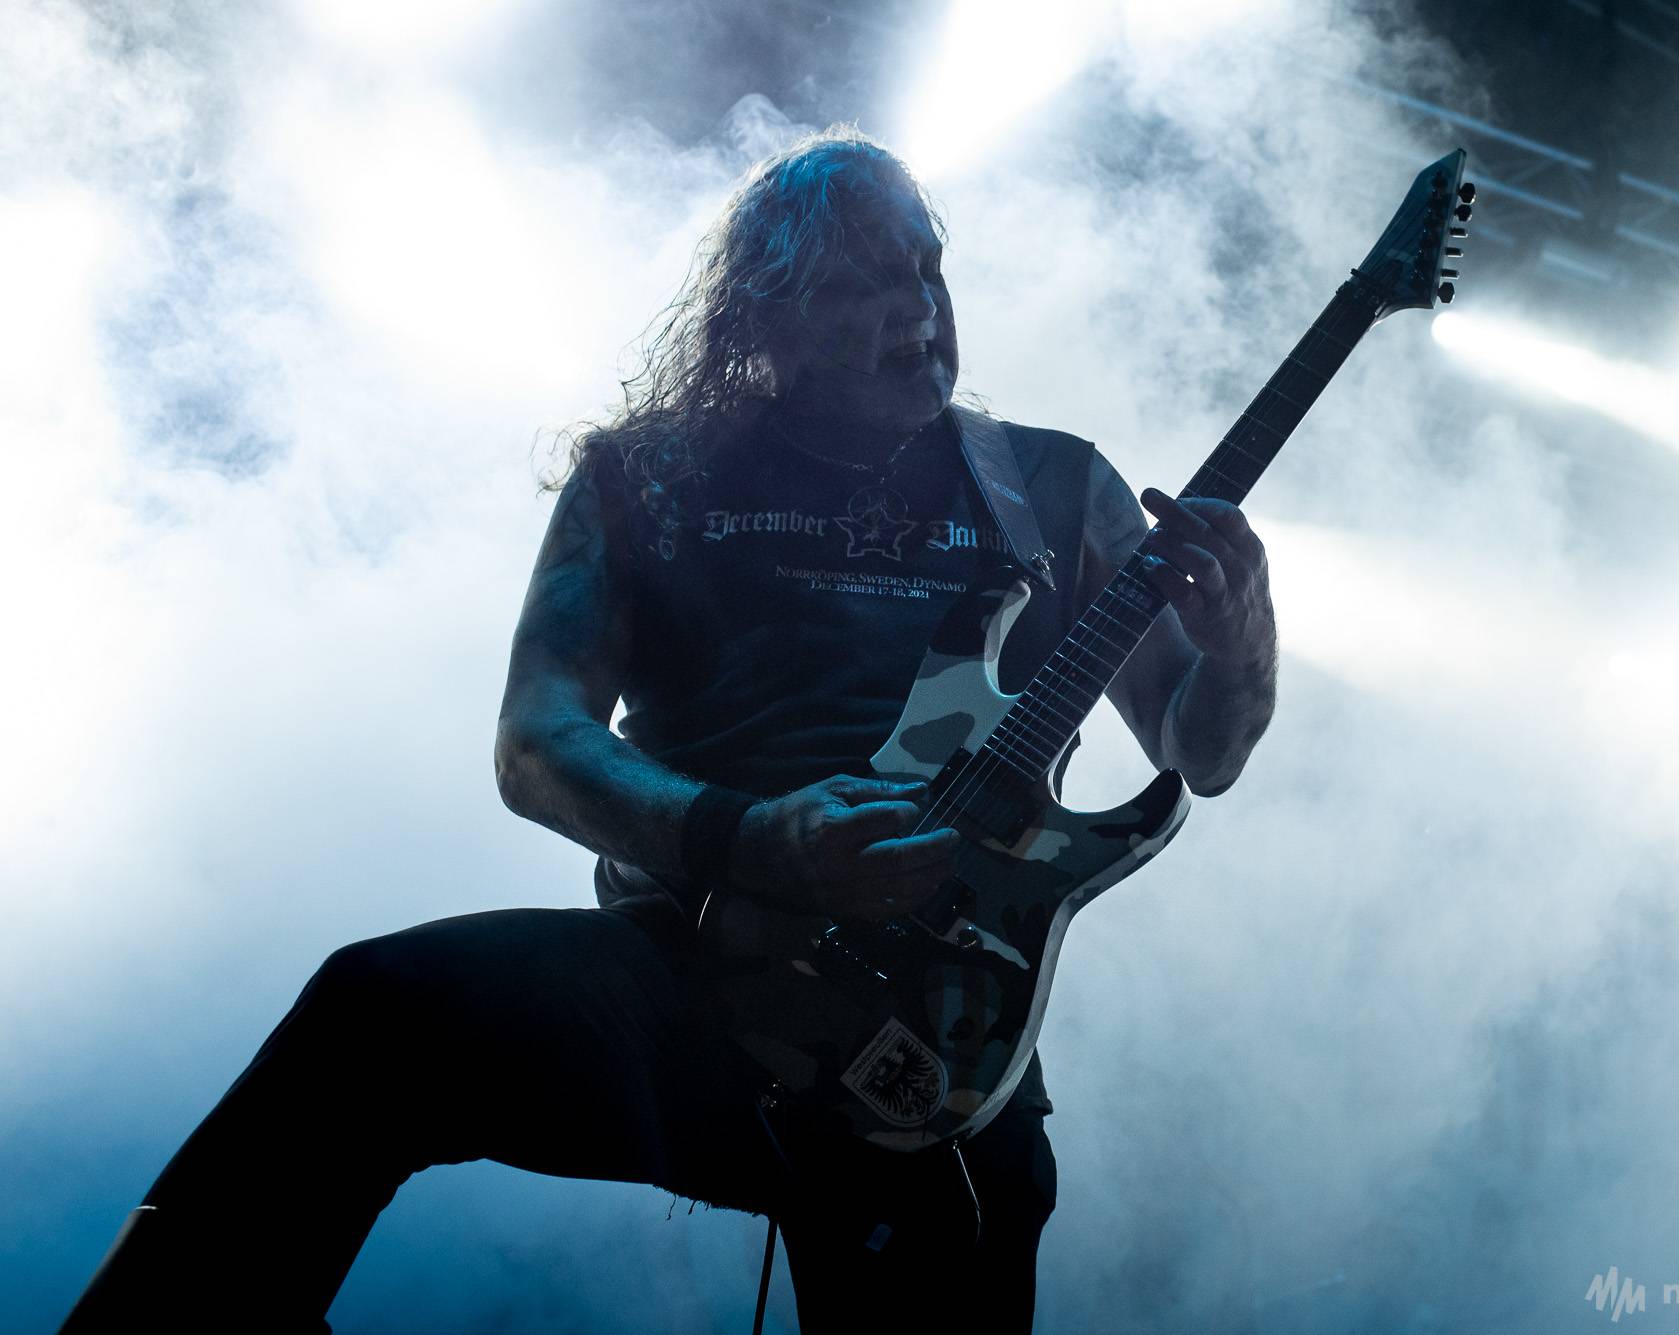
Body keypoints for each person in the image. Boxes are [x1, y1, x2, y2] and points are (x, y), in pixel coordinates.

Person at [59, 125, 1277, 1333]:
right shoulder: (648, 477)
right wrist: (751, 839)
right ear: (769, 316)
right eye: (868, 279)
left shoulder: (1053, 486)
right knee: (377, 1014)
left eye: (928, 266)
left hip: (945, 1033)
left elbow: (1201, 752)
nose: (919, 305)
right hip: (682, 982)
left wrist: (1239, 640)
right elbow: (536, 741)